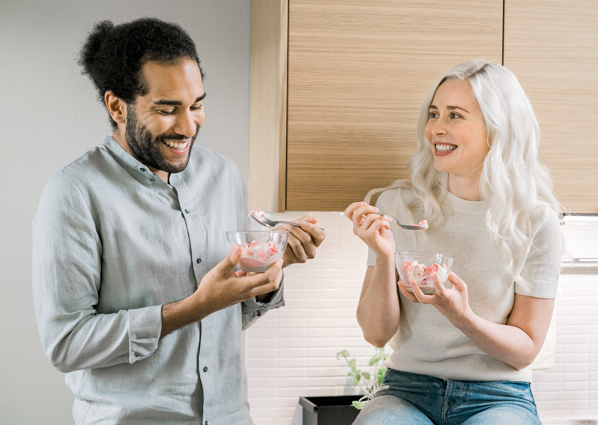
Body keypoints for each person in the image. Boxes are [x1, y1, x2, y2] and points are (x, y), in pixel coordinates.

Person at [32, 18, 324, 425]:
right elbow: (66, 344)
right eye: (167, 110)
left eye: (197, 105)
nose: (188, 127)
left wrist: (268, 272)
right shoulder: (74, 192)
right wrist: (193, 307)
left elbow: (224, 315)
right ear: (117, 106)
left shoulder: (224, 176)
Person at [344, 59, 563, 424]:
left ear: (497, 128)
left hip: (498, 396)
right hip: (407, 389)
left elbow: (525, 351)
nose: (435, 130)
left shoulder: (535, 222)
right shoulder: (398, 206)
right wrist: (384, 258)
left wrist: (461, 316)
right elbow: (375, 334)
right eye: (434, 114)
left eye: (454, 116)